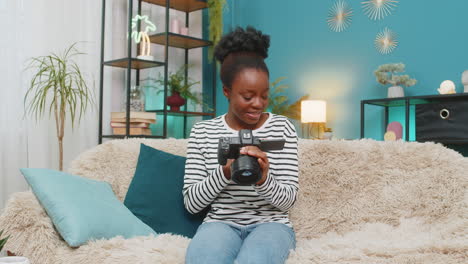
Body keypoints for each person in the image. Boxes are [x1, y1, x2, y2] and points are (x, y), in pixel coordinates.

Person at [183, 26, 299, 264]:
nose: (258, 104)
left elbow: (288, 200)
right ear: (227, 92)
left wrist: (263, 177)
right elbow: (192, 204)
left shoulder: (282, 128)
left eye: (264, 95)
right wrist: (226, 172)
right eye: (248, 97)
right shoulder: (203, 131)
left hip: (272, 225)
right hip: (220, 223)